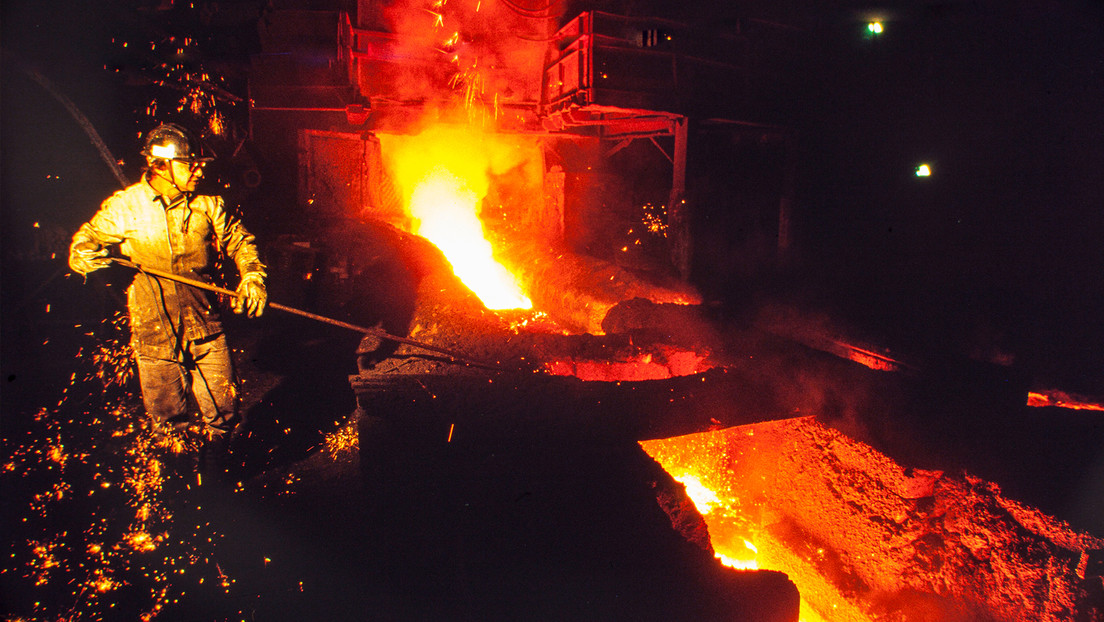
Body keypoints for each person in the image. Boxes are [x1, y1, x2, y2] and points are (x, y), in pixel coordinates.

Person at [68, 123, 267, 478]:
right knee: (168, 421)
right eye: (190, 164)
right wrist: (82, 254)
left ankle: (217, 480)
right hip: (155, 333)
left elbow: (240, 241)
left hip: (205, 327)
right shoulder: (126, 207)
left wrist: (252, 275)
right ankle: (177, 489)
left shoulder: (208, 205)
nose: (199, 169)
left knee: (224, 413)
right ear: (161, 166)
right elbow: (87, 239)